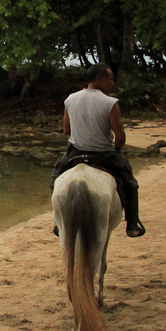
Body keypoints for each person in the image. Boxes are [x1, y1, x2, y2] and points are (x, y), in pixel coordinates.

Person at [51, 63, 146, 238]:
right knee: (130, 183)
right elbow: (120, 137)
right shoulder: (110, 103)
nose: (112, 83)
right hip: (104, 153)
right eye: (109, 79)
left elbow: (66, 131)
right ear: (98, 79)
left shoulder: (70, 99)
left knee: (56, 179)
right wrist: (116, 150)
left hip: (76, 151)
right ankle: (132, 224)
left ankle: (58, 222)